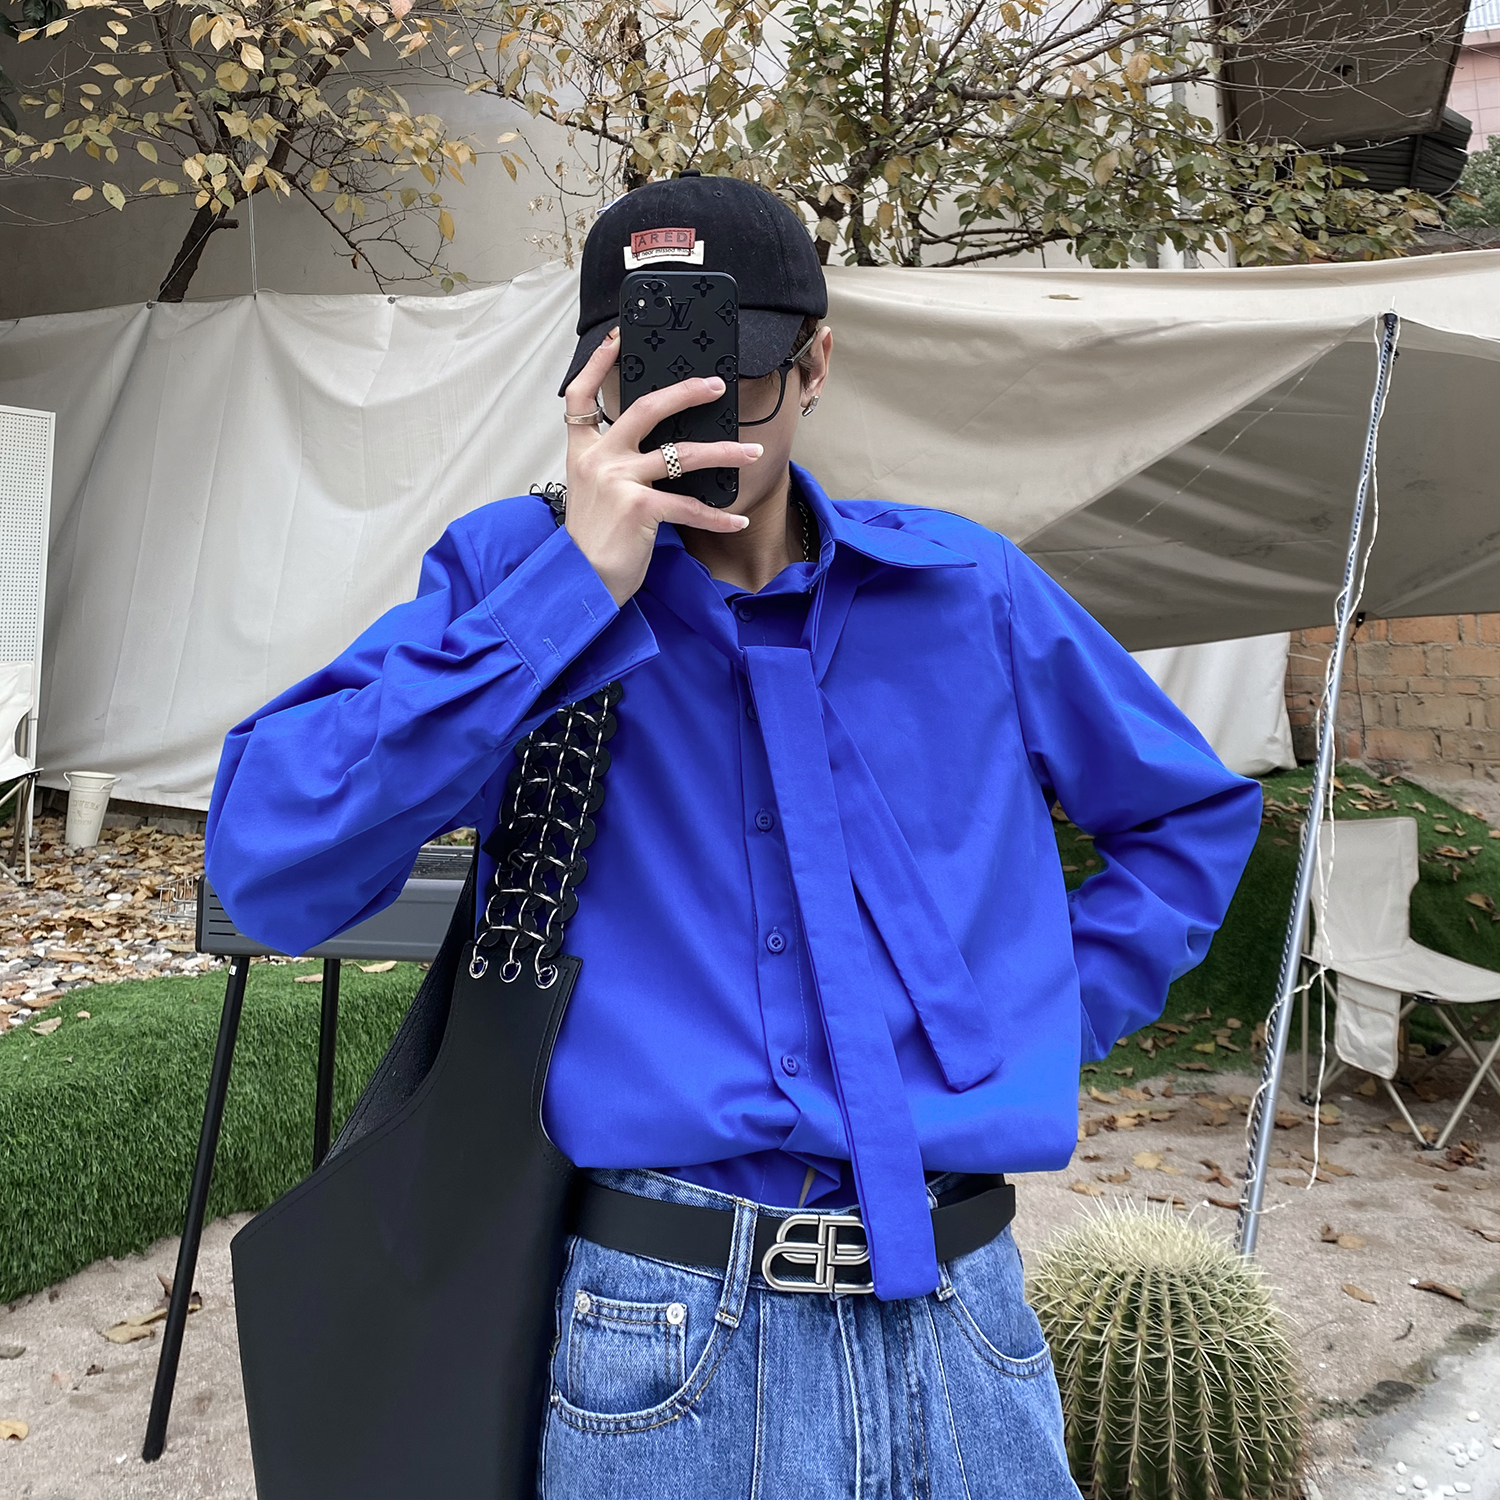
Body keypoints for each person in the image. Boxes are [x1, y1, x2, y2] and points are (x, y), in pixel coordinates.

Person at [206, 172, 1263, 1500]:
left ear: (815, 364)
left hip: (964, 1318)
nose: (698, 419)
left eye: (739, 379)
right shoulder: (513, 579)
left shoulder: (967, 589)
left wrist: (1047, 1007)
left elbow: (1185, 818)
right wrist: (565, 597)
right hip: (661, 1336)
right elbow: (269, 865)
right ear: (592, 382)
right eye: (656, 379)